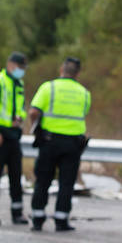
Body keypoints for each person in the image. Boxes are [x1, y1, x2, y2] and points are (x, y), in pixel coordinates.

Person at [25, 56, 91, 232]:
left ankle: (38, 218)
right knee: (67, 183)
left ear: (61, 69)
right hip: (73, 144)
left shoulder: (49, 88)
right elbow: (84, 113)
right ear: (78, 73)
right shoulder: (84, 93)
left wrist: (35, 128)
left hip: (50, 141)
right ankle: (61, 220)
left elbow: (33, 111)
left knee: (43, 180)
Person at [0, 52, 28, 226]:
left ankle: (17, 213)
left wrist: (20, 118)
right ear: (11, 65)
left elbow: (21, 107)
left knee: (16, 175)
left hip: (13, 134)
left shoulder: (18, 84)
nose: (22, 71)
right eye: (20, 67)